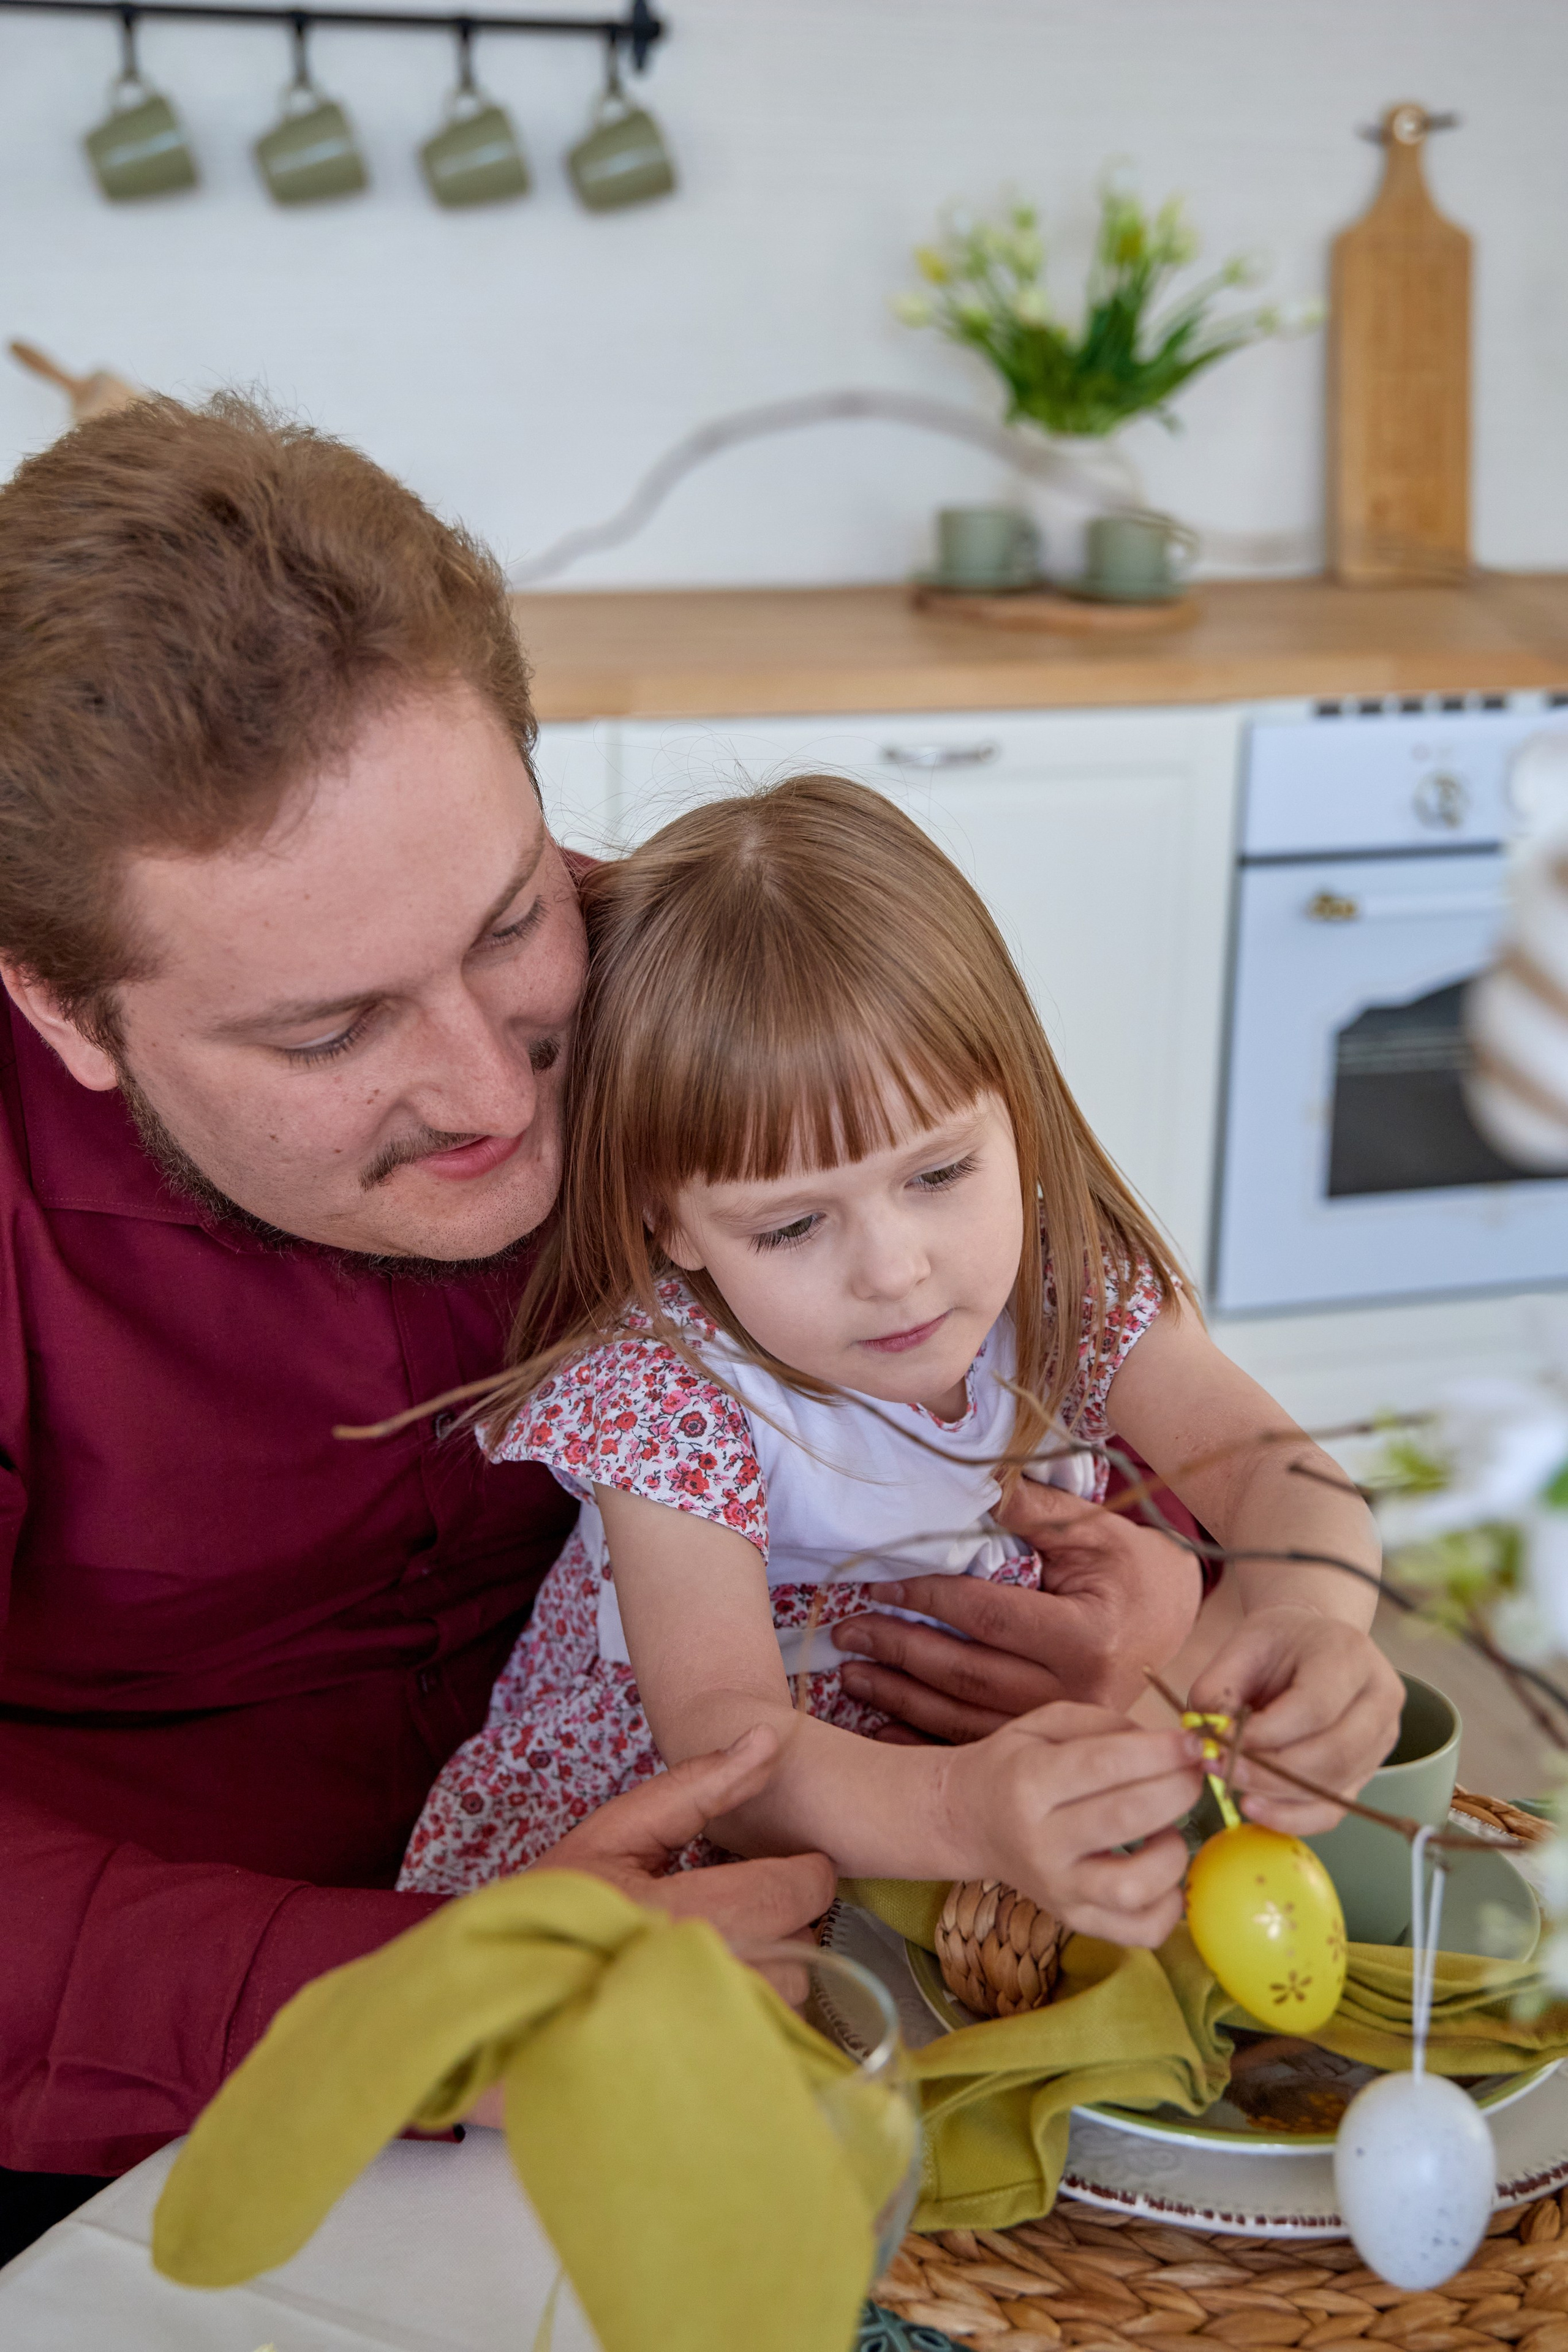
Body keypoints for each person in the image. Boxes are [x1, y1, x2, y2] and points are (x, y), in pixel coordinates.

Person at [0, 394, 1199, 2225]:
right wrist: (428, 2001)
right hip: (151, 2099)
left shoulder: (676, 981)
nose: (497, 1093)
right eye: (328, 1033)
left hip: (798, 1974)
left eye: (506, 923)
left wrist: (1144, 1601)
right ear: (66, 1014)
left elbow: (1024, 1324)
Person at [399, 775, 1404, 1940]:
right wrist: (964, 1808)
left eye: (937, 1176)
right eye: (791, 1226)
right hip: (721, 1859)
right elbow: (723, 1739)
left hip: (993, 1803)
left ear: (1017, 1113)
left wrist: (1321, 1612)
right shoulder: (671, 1393)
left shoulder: (1065, 1274)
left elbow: (1276, 1477)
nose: (895, 1269)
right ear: (668, 1222)